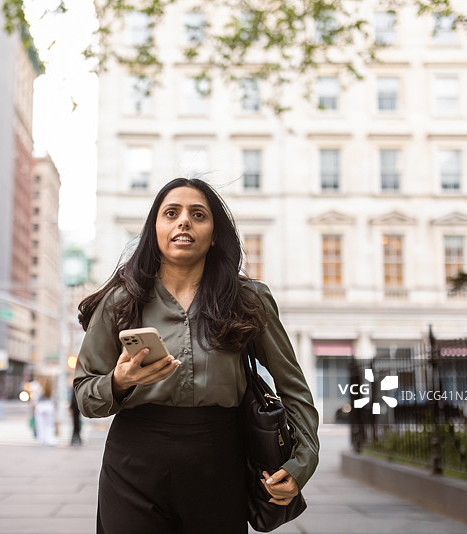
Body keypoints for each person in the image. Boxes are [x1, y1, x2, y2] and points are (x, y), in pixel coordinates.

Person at [74, 178, 319, 534]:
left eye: (198, 214)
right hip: (133, 463)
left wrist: (301, 464)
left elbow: (293, 389)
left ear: (215, 233)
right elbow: (84, 395)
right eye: (171, 213)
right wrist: (119, 381)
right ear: (155, 229)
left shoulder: (249, 300)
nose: (183, 222)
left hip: (220, 464)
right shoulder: (121, 301)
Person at [34, 378, 57, 446]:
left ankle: (42, 439)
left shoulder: (41, 390)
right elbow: (54, 400)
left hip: (41, 407)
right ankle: (50, 439)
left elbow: (37, 400)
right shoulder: (51, 391)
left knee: (41, 424)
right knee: (49, 424)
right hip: (49, 407)